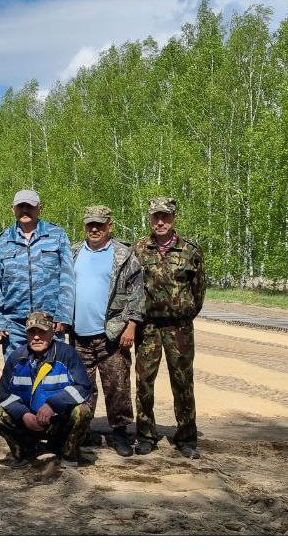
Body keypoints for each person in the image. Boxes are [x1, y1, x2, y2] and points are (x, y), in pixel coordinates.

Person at [133, 197, 206, 459]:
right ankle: (145, 435)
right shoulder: (139, 249)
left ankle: (186, 437)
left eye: (165, 216)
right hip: (148, 327)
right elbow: (131, 288)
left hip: (179, 327)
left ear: (174, 218)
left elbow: (199, 292)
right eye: (155, 217)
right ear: (150, 218)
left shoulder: (190, 250)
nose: (160, 222)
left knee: (183, 381)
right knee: (143, 381)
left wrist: (183, 313)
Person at [71, 205, 144, 457]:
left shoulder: (124, 255)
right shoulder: (73, 252)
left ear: (109, 226)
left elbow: (137, 294)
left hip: (112, 334)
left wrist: (131, 326)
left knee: (118, 386)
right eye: (90, 224)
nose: (94, 229)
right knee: (82, 387)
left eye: (99, 225)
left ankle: (121, 434)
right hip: (79, 335)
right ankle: (82, 431)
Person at [0, 311, 93, 468]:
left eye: (42, 332)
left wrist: (52, 405)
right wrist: (24, 415)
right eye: (32, 332)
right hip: (29, 422)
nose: (36, 337)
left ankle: (68, 454)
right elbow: (4, 396)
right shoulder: (16, 357)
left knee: (83, 410)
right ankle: (23, 453)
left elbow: (83, 387)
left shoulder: (67, 354)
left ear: (52, 332)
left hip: (59, 421)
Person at [0, 189, 75, 360]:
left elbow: (67, 278)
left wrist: (63, 315)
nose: (25, 210)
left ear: (40, 208)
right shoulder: (3, 240)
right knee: (18, 374)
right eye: (20, 206)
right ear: (12, 209)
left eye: (29, 206)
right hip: (15, 323)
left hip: (49, 320)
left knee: (52, 374)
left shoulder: (56, 235)